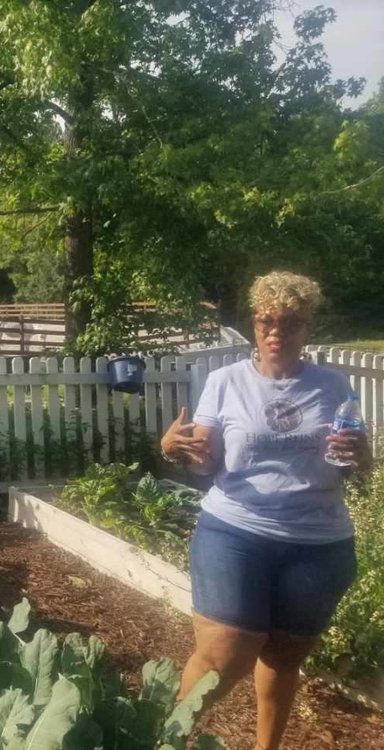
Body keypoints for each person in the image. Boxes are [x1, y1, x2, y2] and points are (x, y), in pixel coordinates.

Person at [160, 271, 370, 750]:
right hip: (236, 530)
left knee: (283, 658)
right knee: (224, 653)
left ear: (307, 327)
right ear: (254, 325)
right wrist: (173, 448)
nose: (277, 332)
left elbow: (351, 460)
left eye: (290, 322)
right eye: (266, 321)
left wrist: (364, 456)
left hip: (318, 544)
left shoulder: (332, 385)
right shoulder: (225, 381)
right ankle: (166, 740)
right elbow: (205, 458)